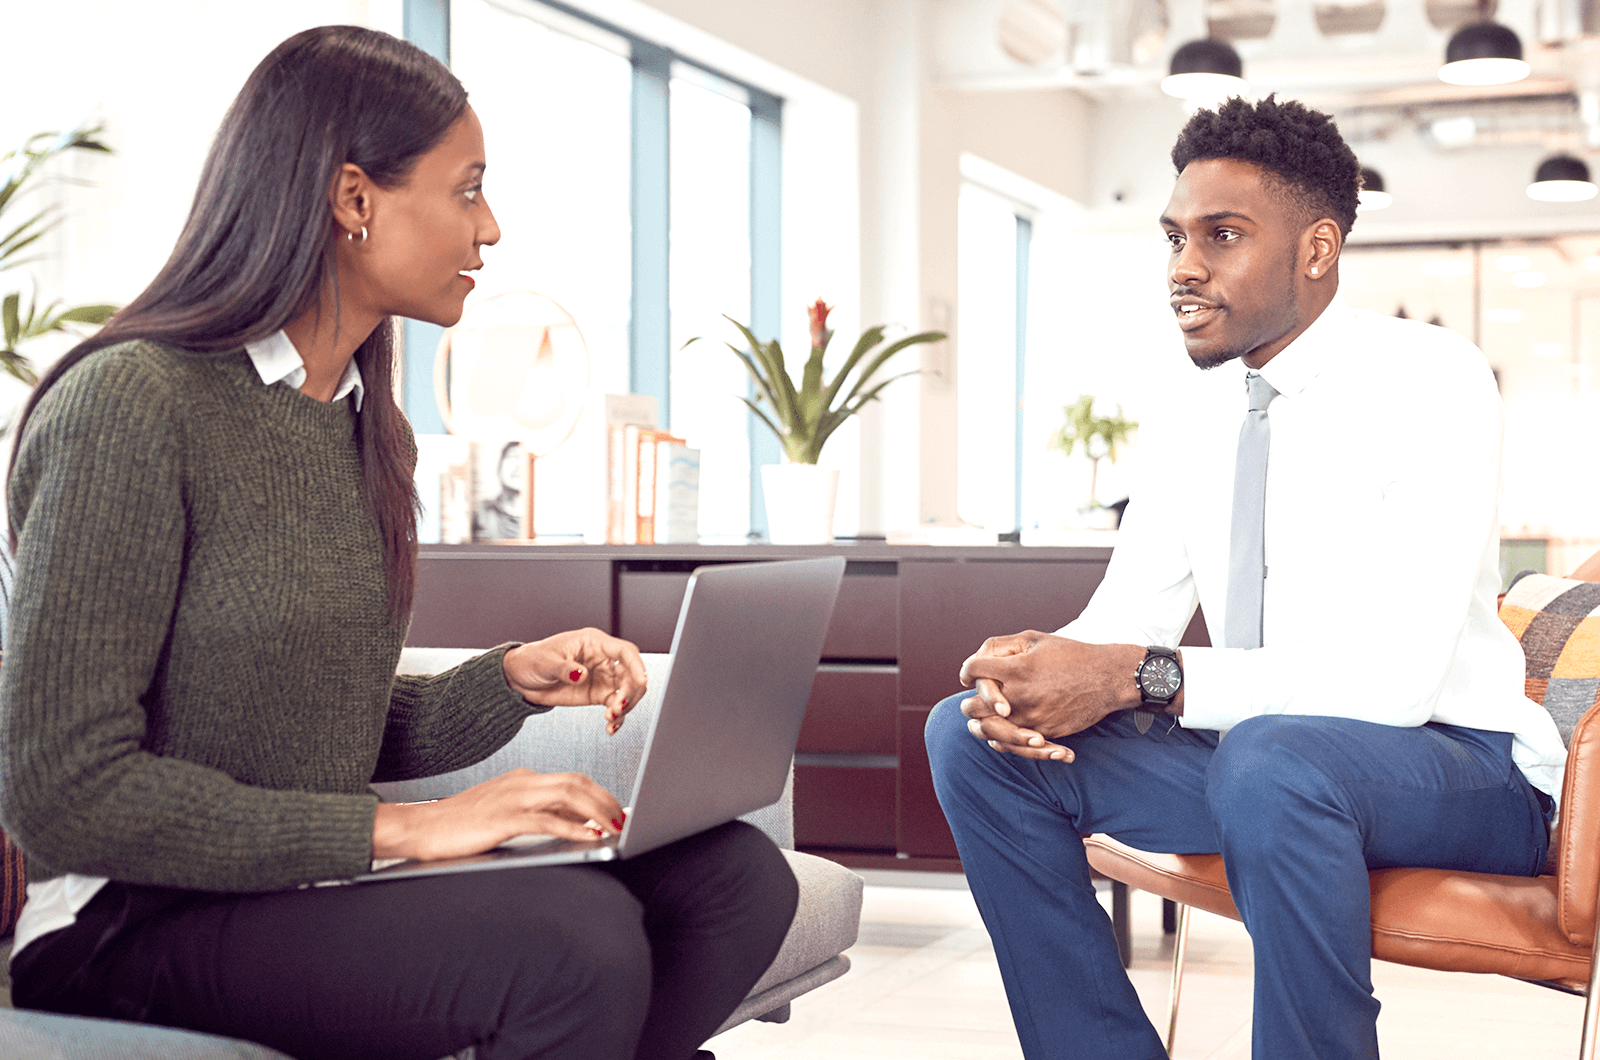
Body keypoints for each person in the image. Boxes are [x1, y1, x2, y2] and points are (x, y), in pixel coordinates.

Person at [0, 26, 796, 1060]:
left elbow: (319, 719)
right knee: (576, 947)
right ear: (353, 199)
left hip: (300, 883)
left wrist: (510, 679)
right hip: (132, 921)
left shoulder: (365, 424)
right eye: (467, 189)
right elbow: (63, 790)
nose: (493, 226)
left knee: (735, 881)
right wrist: (408, 830)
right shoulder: (135, 405)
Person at [925, 95, 1567, 1060]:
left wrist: (1139, 675)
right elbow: (1123, 620)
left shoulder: (1433, 378)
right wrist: (1034, 673)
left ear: (1316, 249)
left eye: (1222, 236)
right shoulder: (1194, 412)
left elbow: (1391, 685)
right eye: (1176, 236)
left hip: (1457, 770)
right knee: (970, 740)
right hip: (1261, 765)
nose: (1184, 267)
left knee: (1278, 758)